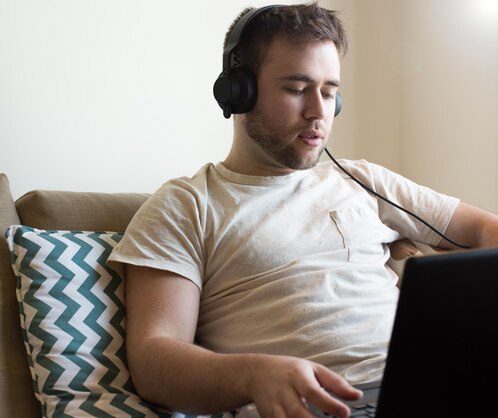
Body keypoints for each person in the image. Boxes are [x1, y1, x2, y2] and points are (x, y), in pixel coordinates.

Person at [108, 3, 498, 417]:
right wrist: (253, 376)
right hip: (324, 407)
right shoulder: (185, 206)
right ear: (238, 90)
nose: (319, 112)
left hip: (443, 383)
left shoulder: (362, 179)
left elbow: (485, 230)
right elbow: (154, 358)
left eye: (330, 93)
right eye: (297, 89)